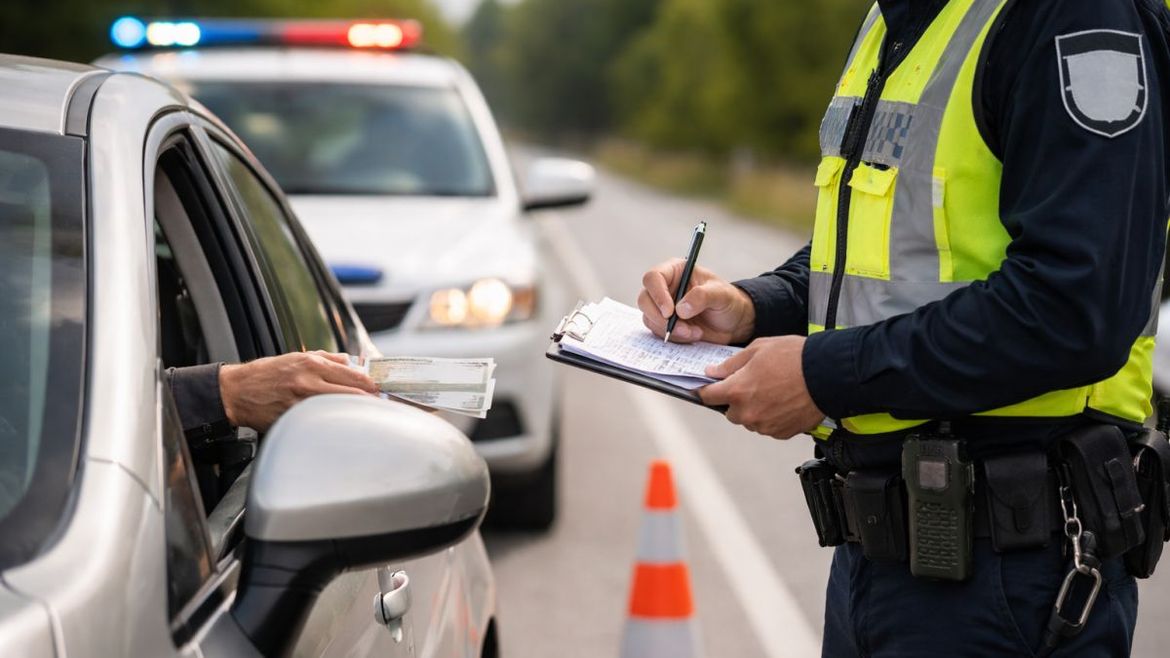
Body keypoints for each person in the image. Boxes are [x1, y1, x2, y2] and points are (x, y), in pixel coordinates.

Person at [638, 0, 1170, 655]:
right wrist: (754, 306)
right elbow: (885, 260)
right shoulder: (897, 19)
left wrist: (822, 376)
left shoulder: (1073, 14)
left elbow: (1076, 307)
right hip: (880, 563)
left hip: (1014, 570)